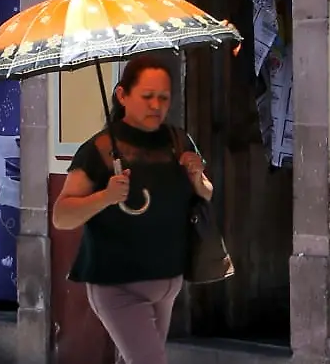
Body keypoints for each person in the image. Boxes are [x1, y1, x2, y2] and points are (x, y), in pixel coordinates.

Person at [52, 55, 213, 364]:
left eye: (163, 98)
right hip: (117, 284)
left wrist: (196, 176)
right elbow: (62, 215)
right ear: (122, 95)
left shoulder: (179, 140)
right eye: (147, 96)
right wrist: (106, 196)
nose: (156, 105)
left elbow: (207, 192)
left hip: (167, 281)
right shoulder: (98, 150)